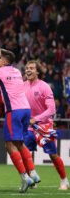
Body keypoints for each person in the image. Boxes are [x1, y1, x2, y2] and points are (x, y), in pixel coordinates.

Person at [0, 49, 41, 193]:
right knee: (19, 143)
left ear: (5, 61)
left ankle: (25, 176)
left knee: (9, 145)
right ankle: (33, 173)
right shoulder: (17, 71)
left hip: (13, 111)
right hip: (25, 110)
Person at [24, 60, 69, 190]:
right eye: (26, 68)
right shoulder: (22, 86)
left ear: (37, 71)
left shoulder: (44, 86)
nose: (28, 70)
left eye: (31, 68)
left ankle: (64, 180)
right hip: (28, 126)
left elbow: (52, 110)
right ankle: (32, 180)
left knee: (53, 155)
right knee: (26, 152)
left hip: (44, 126)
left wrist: (36, 119)